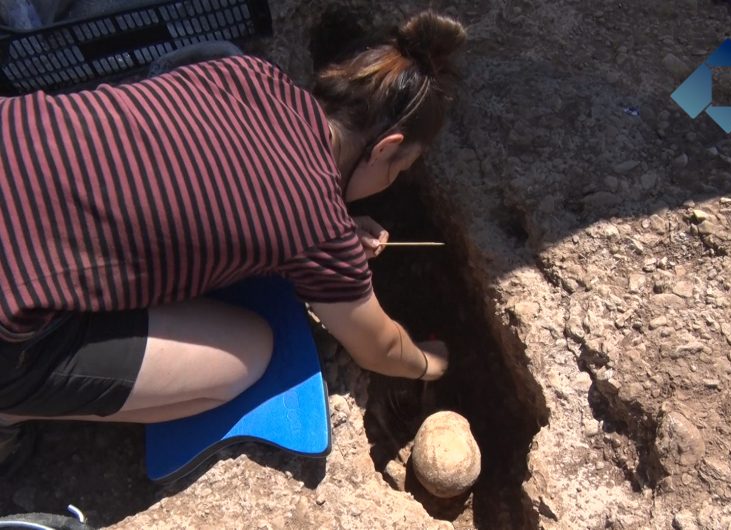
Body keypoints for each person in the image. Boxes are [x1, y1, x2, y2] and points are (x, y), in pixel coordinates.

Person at [0, 10, 467, 474]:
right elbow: (379, 347)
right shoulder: (315, 223)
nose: (391, 180)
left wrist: (334, 231)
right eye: (398, 169)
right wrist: (430, 363)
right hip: (8, 322)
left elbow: (203, 171)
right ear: (386, 146)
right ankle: (12, 408)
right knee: (248, 355)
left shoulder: (245, 70)